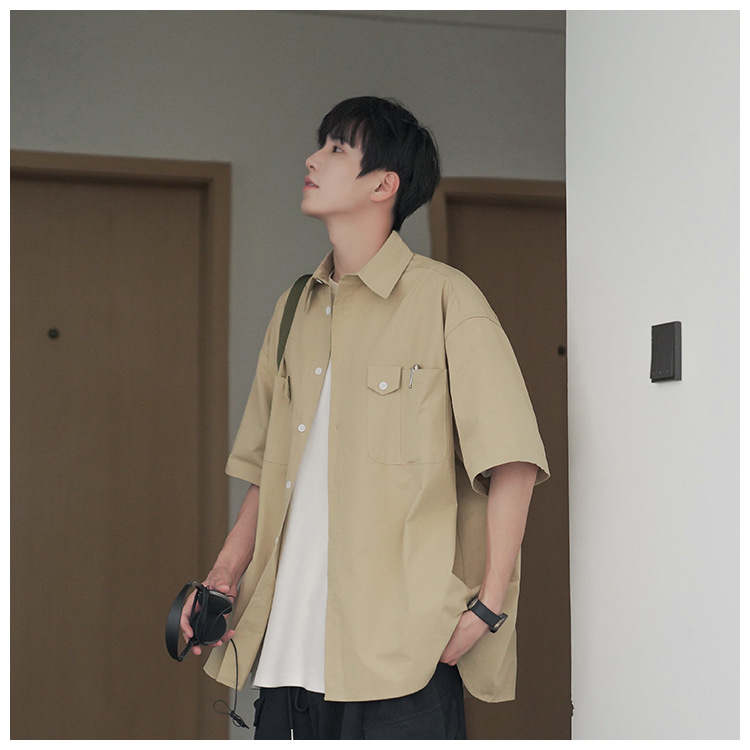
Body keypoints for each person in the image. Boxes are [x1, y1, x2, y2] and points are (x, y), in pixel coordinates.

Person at [181, 96, 549, 740]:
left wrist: (489, 607)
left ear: (384, 184)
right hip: (286, 659)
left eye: (336, 148)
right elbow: (270, 474)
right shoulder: (293, 308)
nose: (312, 159)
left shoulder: (446, 298)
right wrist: (221, 579)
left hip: (402, 659)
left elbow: (512, 460)